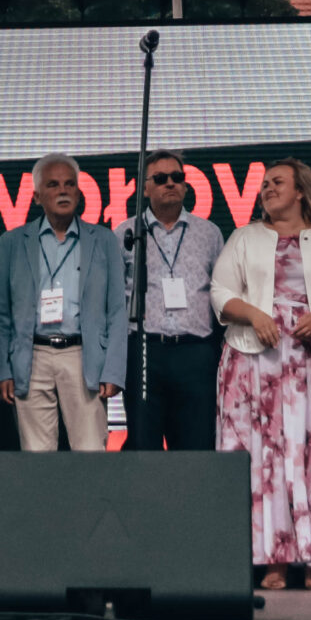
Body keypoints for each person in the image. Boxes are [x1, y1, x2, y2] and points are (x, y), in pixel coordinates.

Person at [209, 157, 311, 588]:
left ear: (301, 191)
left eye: (277, 182)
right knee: (266, 454)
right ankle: (274, 560)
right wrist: (254, 315)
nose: (267, 188)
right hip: (257, 361)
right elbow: (221, 292)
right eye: (264, 183)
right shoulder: (244, 237)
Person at [0, 155, 126, 451]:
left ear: (79, 192)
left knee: (91, 452)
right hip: (31, 356)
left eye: (69, 184)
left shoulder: (104, 240)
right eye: (53, 185)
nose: (63, 191)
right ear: (37, 196)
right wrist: (3, 369)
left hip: (84, 356)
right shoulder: (11, 242)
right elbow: (1, 314)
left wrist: (113, 370)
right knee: (37, 456)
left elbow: (117, 311)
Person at [117, 152, 226, 452]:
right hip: (144, 351)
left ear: (186, 185)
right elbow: (112, 301)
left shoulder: (209, 233)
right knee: (143, 447)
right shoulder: (126, 233)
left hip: (196, 352)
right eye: (160, 178)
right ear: (144, 188)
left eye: (177, 177)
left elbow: (223, 292)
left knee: (197, 447)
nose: (170, 183)